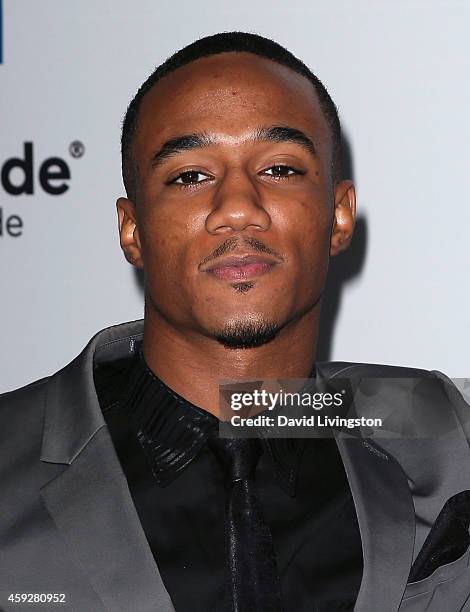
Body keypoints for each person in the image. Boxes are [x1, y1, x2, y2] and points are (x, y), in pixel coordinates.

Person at [1, 31, 470, 612]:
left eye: (279, 168)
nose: (238, 206)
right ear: (132, 231)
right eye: (190, 176)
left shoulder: (437, 417)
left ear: (339, 215)